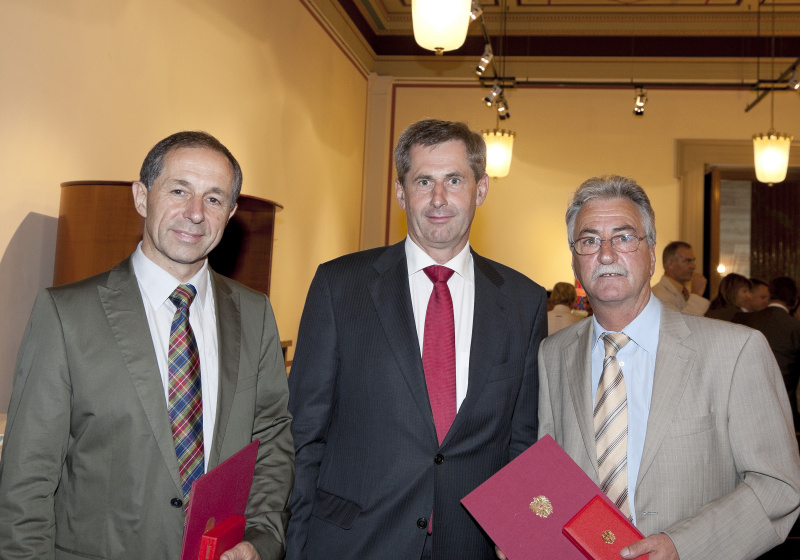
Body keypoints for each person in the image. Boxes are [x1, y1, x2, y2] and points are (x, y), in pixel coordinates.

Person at [0, 132, 294, 560]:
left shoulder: (254, 314)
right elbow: (26, 480)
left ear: (230, 213)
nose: (195, 214)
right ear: (142, 197)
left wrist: (262, 540)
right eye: (179, 190)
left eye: (213, 199)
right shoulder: (66, 315)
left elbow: (271, 442)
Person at [286, 119, 547, 560]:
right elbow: (303, 433)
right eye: (424, 181)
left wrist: (517, 531)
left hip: (471, 544)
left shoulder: (524, 301)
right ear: (400, 192)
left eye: (455, 180)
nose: (439, 199)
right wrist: (293, 546)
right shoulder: (339, 285)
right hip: (354, 541)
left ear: (480, 190)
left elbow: (520, 440)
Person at [532, 175, 800, 560]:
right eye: (589, 241)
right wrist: (528, 531)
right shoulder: (553, 355)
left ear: (652, 252)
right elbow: (551, 475)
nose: (606, 255)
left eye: (624, 237)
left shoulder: (735, 351)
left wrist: (684, 546)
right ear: (574, 259)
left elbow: (779, 486)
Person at [734, 276, 800, 429]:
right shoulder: (795, 328)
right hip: (783, 407)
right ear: (794, 301)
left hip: (744, 403)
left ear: (770, 294)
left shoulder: (744, 319)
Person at [650, 241, 709, 316]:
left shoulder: (685, 291)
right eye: (688, 261)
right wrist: (696, 295)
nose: (693, 266)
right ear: (670, 264)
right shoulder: (657, 295)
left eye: (693, 261)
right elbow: (680, 325)